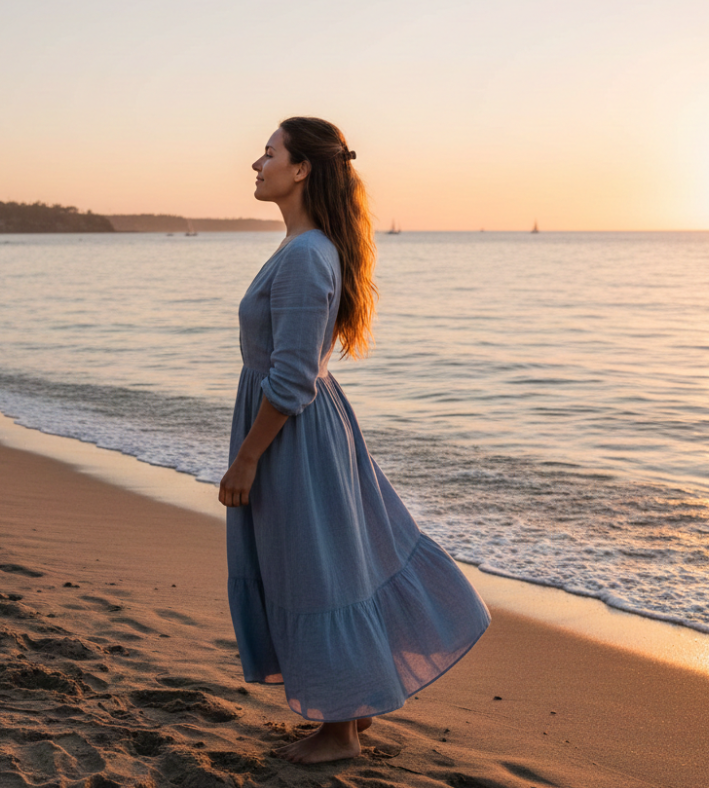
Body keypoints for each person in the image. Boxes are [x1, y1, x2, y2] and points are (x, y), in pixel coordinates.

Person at [219, 117, 490, 765]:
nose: (257, 165)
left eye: (269, 153)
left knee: (316, 569)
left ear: (303, 168)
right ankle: (354, 708)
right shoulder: (300, 250)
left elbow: (290, 379)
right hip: (301, 431)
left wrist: (247, 458)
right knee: (330, 557)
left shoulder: (309, 255)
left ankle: (340, 730)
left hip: (294, 437)